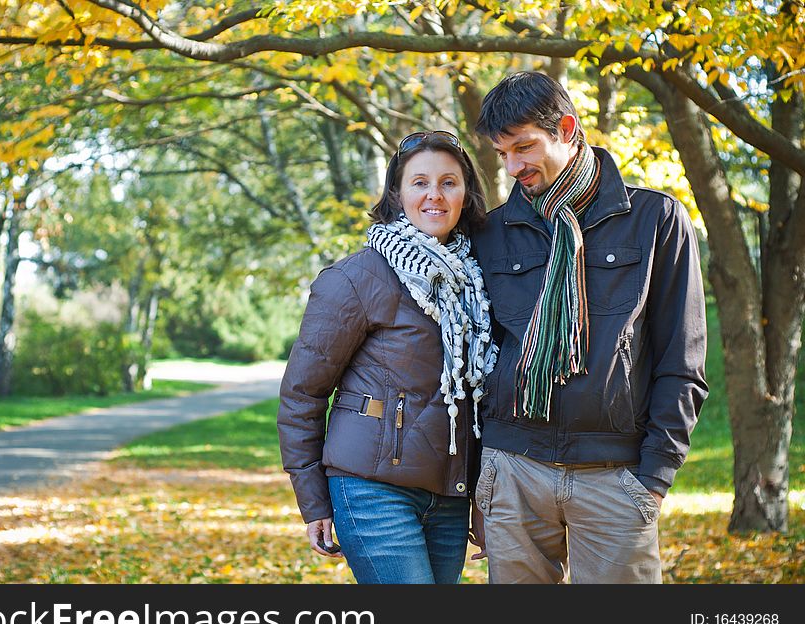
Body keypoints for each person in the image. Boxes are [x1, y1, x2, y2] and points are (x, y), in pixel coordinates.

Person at [470, 71, 709, 584]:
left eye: (524, 147)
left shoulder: (656, 220)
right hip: (512, 470)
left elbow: (681, 362)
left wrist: (652, 479)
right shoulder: (490, 233)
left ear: (567, 127)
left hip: (615, 475)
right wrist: (482, 474)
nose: (514, 167)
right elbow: (475, 359)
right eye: (502, 153)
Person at [277, 130, 496, 584]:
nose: (434, 195)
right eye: (419, 183)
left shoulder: (478, 282)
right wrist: (314, 500)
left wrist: (479, 494)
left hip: (450, 495)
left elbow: (481, 402)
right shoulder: (356, 278)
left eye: (448, 182)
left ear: (466, 194)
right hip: (372, 489)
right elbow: (303, 394)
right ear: (397, 194)